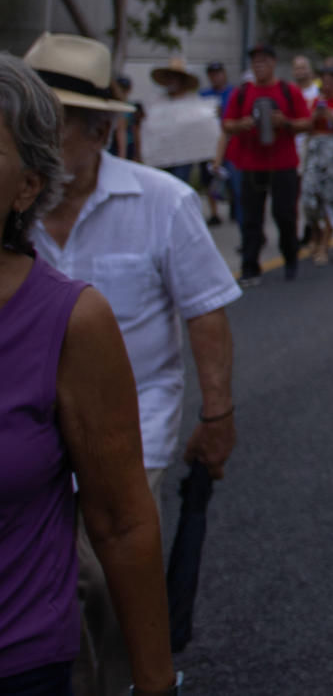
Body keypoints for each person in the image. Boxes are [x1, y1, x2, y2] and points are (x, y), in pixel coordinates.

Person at [20, 36, 235, 696]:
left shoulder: (163, 201)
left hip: (132, 419)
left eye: (49, 124)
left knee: (101, 569)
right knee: (51, 578)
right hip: (28, 425)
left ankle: (134, 676)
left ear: (101, 128)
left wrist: (217, 415)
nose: (37, 142)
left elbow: (204, 311)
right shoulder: (11, 211)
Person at [0, 55, 177, 696]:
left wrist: (157, 683)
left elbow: (120, 519)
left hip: (17, 662)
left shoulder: (72, 319)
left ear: (26, 187)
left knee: (95, 584)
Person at [221, 44, 311, 285]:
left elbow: (306, 122)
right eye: (255, 62)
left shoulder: (287, 90)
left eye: (263, 61)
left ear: (273, 64)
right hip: (250, 164)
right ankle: (250, 266)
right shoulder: (241, 92)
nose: (259, 65)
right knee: (250, 218)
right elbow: (226, 124)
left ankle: (290, 257)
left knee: (285, 215)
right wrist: (240, 125)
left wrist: (285, 123)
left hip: (283, 163)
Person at [146, 57, 220, 224]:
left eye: (176, 78)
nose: (172, 82)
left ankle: (178, 221)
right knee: (161, 188)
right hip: (161, 156)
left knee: (179, 187)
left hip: (183, 156)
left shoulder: (194, 103)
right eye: (170, 78)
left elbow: (205, 128)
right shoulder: (157, 102)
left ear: (182, 81)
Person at [300, 61, 333, 267]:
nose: (327, 84)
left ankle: (324, 244)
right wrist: (315, 116)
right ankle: (316, 232)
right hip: (315, 153)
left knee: (332, 199)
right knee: (309, 198)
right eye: (324, 81)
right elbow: (306, 128)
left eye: (332, 81)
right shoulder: (315, 103)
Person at [200, 62, 237, 228]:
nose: (215, 77)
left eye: (218, 73)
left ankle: (235, 207)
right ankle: (214, 213)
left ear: (224, 74)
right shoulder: (203, 95)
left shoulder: (234, 93)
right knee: (210, 179)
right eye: (212, 74)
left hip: (231, 144)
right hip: (209, 143)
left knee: (233, 178)